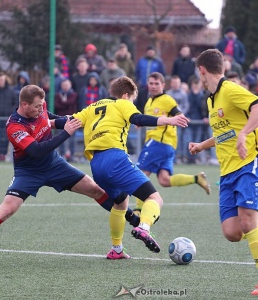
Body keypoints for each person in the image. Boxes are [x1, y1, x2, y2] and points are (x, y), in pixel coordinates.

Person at [0, 85, 140, 261]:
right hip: (28, 172)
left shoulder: (40, 107)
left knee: (95, 189)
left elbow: (49, 118)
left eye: (41, 105)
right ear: (24, 105)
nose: (41, 109)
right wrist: (66, 133)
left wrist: (74, 121)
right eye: (37, 106)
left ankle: (133, 220)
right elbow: (37, 151)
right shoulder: (14, 127)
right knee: (6, 210)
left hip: (55, 164)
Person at [73, 76, 189, 259]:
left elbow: (68, 121)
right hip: (116, 158)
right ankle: (144, 227)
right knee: (155, 198)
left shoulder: (94, 106)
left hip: (95, 164)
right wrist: (168, 120)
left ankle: (116, 249)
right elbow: (138, 118)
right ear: (126, 95)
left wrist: (46, 121)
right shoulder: (123, 103)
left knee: (120, 202)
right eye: (133, 100)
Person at [189, 49, 258, 296]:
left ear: (202, 71)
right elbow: (223, 133)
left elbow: (257, 107)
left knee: (248, 219)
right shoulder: (211, 100)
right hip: (227, 172)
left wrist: (244, 134)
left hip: (248, 163)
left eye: (199, 74)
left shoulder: (229, 89)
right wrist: (201, 145)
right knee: (232, 232)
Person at [133, 73, 210, 215]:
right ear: (147, 85)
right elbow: (151, 121)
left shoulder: (167, 99)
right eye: (151, 83)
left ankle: (138, 209)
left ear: (163, 85)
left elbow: (177, 113)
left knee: (139, 174)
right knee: (164, 180)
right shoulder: (149, 101)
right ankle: (196, 178)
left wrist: (180, 118)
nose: (154, 86)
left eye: (157, 84)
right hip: (166, 145)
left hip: (158, 143)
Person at [166, 75, 189, 163]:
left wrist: (179, 115)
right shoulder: (168, 94)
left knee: (181, 139)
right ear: (171, 83)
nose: (175, 84)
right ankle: (172, 157)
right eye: (174, 82)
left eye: (177, 83)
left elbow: (186, 106)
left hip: (180, 120)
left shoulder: (183, 94)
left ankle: (180, 156)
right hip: (170, 122)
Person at [55, 79, 78, 161]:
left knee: (72, 138)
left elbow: (70, 102)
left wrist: (63, 103)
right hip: (60, 118)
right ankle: (62, 154)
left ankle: (71, 155)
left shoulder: (74, 94)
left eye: (67, 85)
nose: (65, 86)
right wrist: (64, 103)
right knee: (61, 137)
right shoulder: (58, 95)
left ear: (70, 85)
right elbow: (57, 105)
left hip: (71, 119)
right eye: (64, 85)